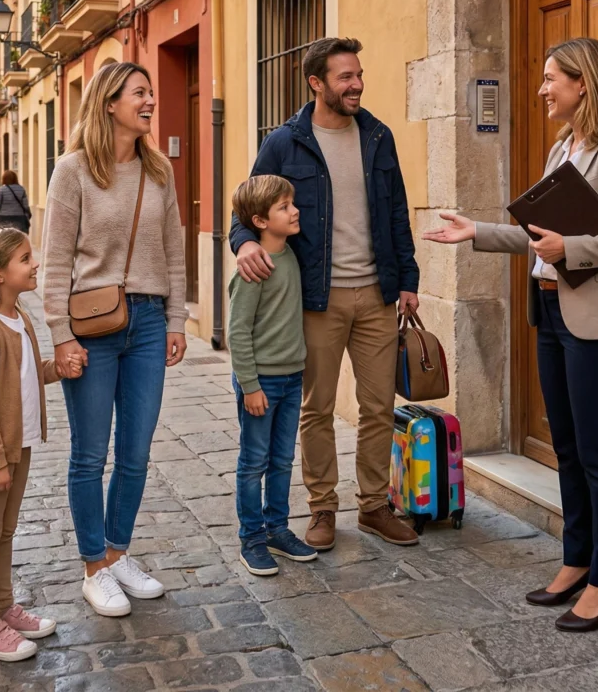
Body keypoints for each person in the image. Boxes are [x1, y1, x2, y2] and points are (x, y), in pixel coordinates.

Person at [423, 37, 598, 633]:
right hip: (552, 313)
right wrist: (477, 231)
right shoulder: (563, 148)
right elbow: (540, 237)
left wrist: (572, 248)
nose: (542, 89)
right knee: (568, 448)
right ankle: (578, 560)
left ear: (584, 83)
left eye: (552, 78)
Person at [230, 37, 421, 552]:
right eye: (345, 77)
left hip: (378, 294)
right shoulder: (284, 142)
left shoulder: (377, 135)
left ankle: (374, 506)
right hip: (317, 299)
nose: (357, 84)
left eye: (359, 74)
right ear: (317, 83)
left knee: (378, 406)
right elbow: (246, 209)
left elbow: (397, 211)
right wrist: (245, 243)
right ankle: (322, 507)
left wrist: (408, 279)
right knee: (317, 408)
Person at [43, 62, 187, 618]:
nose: (150, 101)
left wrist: (176, 320)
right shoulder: (73, 170)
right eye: (139, 93)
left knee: (136, 450)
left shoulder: (159, 170)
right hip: (92, 326)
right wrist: (60, 336)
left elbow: (174, 252)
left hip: (148, 322)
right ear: (109, 102)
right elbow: (56, 261)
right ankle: (93, 568)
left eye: (151, 92)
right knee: (89, 454)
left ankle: (117, 552)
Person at [0, 226, 82, 662]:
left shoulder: (20, 316)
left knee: (5, 531)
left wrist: (57, 368)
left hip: (18, 445)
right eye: (25, 259)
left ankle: (3, 607)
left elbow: (23, 375)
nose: (35, 263)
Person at [228, 175, 317, 577]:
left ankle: (277, 529)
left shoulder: (291, 255)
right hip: (261, 383)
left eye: (292, 203)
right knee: (254, 462)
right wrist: (250, 386)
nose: (295, 211)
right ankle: (252, 538)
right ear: (260, 221)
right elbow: (237, 332)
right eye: (284, 207)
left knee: (282, 460)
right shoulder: (254, 268)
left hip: (292, 377)